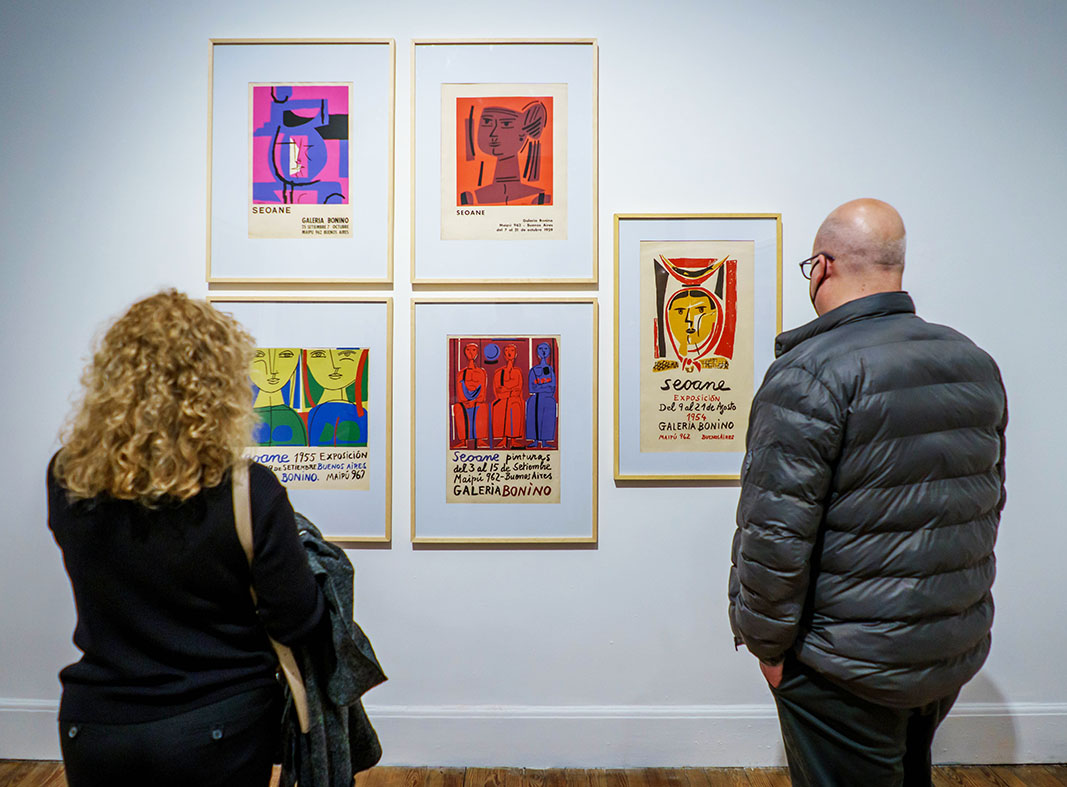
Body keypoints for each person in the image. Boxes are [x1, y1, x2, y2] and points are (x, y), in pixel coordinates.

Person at [728, 199, 1007, 786]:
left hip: (843, 664)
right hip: (945, 648)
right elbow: (985, 506)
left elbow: (775, 535)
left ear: (823, 266)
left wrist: (767, 649)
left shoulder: (810, 373)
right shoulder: (972, 361)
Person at [48, 290, 325, 787]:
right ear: (219, 385)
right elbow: (297, 618)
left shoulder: (68, 477)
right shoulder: (248, 490)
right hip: (217, 726)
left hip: (96, 725)